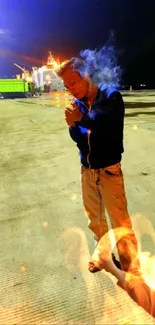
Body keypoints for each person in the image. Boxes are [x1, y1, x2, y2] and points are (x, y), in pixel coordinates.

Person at [56, 57, 141, 275]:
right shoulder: (78, 104)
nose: (70, 90)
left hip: (109, 169)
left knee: (119, 218)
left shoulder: (111, 96)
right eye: (66, 86)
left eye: (73, 83)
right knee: (95, 219)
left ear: (86, 75)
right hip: (87, 169)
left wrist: (80, 120)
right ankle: (103, 256)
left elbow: (110, 134)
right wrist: (74, 125)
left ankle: (129, 262)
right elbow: (79, 138)